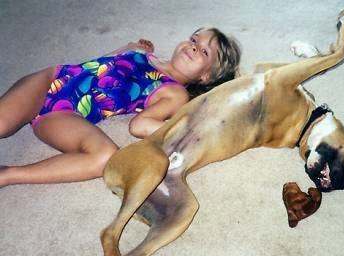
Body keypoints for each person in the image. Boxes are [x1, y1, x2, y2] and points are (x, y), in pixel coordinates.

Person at [0, 27, 241, 188]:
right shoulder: (145, 55)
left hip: (64, 115)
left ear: (206, 76)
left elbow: (140, 125)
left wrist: (188, 132)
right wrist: (131, 47)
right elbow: (102, 63)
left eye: (204, 51)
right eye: (193, 40)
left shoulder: (174, 92)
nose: (193, 47)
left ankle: (8, 174)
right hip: (52, 80)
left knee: (105, 158)